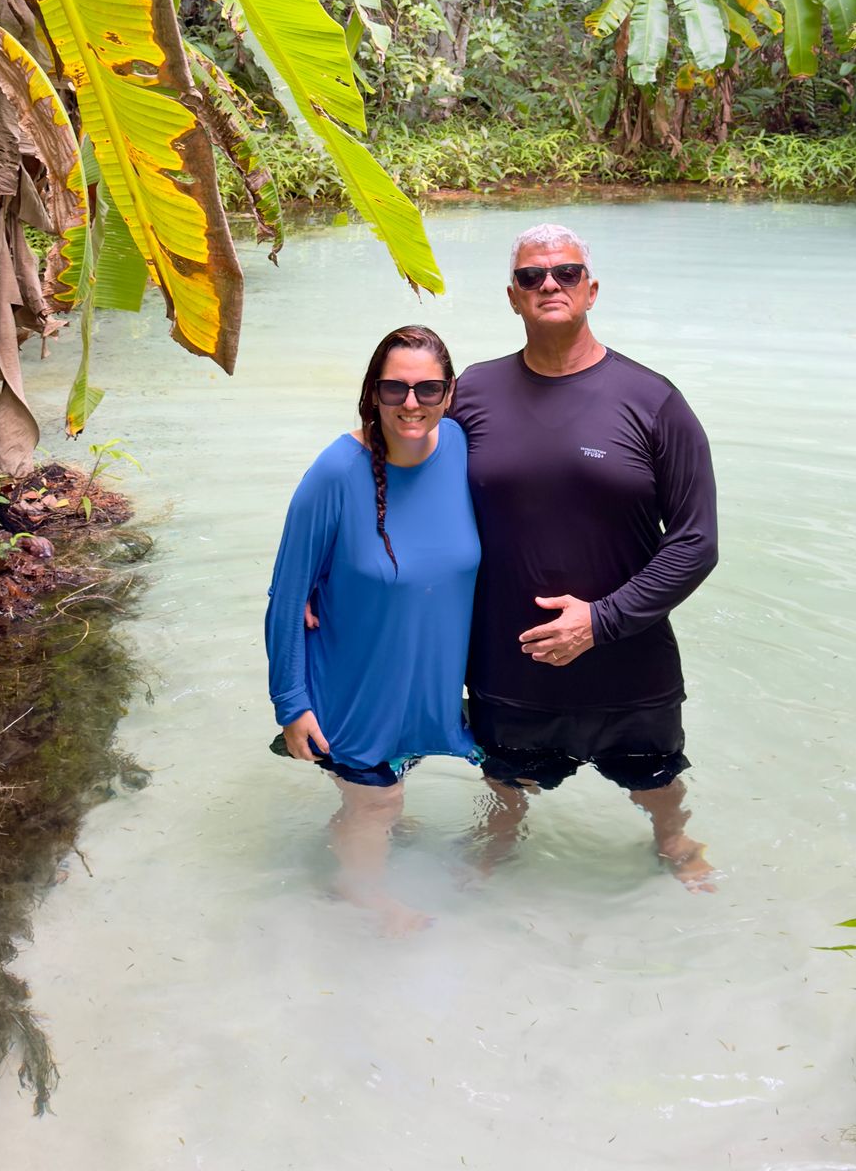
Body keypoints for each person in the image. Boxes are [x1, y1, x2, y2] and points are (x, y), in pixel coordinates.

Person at [452, 225, 719, 888]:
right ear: (512, 297)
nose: (550, 284)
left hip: (628, 661)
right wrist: (327, 590)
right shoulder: (471, 395)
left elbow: (696, 541)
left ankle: (674, 840)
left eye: (567, 273)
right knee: (503, 778)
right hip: (508, 658)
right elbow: (396, 481)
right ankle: (498, 837)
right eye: (532, 277)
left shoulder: (653, 400)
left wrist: (599, 621)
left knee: (656, 781)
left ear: (591, 290)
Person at [266, 325, 480, 932]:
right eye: (395, 388)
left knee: (380, 791)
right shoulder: (336, 472)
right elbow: (287, 595)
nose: (410, 403)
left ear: (449, 392)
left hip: (418, 683)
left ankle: (354, 840)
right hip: (351, 682)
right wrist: (291, 704)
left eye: (426, 388)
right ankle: (360, 894)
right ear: (373, 393)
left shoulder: (461, 446)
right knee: (379, 798)